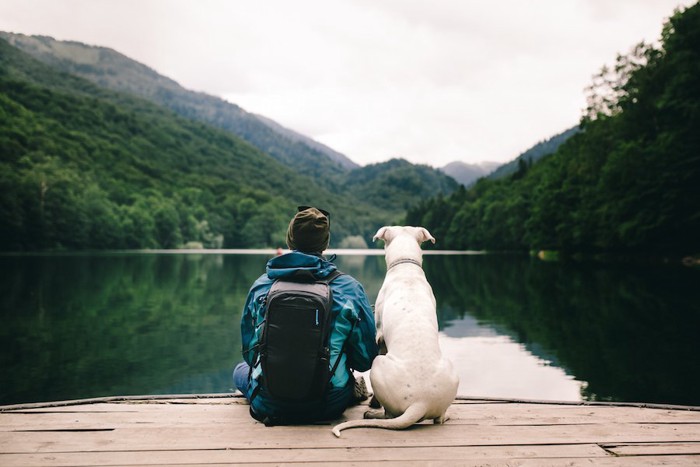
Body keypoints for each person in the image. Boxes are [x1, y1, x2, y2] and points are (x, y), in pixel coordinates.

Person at [233, 206, 378, 424]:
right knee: (342, 373)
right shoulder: (350, 289)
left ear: (290, 240)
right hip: (328, 402)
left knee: (240, 370)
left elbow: (250, 354)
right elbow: (366, 358)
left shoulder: (261, 286)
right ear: (325, 243)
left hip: (268, 400)